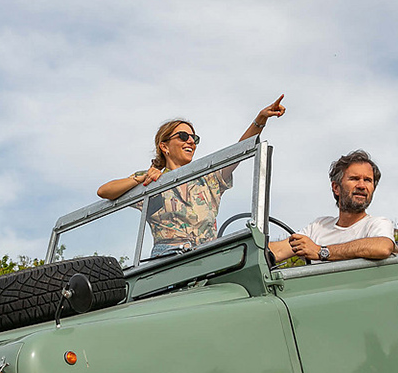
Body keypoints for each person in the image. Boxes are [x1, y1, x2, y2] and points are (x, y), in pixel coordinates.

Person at [97, 96, 286, 255]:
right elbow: (104, 191)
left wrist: (260, 119)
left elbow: (239, 151)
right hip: (166, 259)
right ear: (164, 146)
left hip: (207, 256)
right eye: (183, 136)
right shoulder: (151, 181)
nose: (190, 142)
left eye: (194, 138)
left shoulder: (208, 178)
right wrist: (140, 179)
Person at [269, 150, 398, 263]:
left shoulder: (377, 224)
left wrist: (321, 252)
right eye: (354, 179)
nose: (361, 186)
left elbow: (383, 247)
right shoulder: (319, 226)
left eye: (368, 180)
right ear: (336, 188)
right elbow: (278, 251)